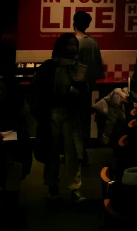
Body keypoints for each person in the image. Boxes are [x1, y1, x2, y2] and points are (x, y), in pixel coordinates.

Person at [33, 33, 87, 202]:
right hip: (54, 112)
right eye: (70, 44)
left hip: (68, 113)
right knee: (54, 151)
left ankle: (72, 187)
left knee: (72, 152)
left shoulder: (75, 67)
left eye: (75, 45)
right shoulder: (52, 67)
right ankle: (56, 185)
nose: (73, 48)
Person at [73, 11, 102, 162]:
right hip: (87, 88)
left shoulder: (73, 42)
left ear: (74, 23)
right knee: (84, 121)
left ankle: (75, 152)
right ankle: (82, 151)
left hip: (73, 88)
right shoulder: (93, 43)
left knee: (73, 121)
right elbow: (98, 68)